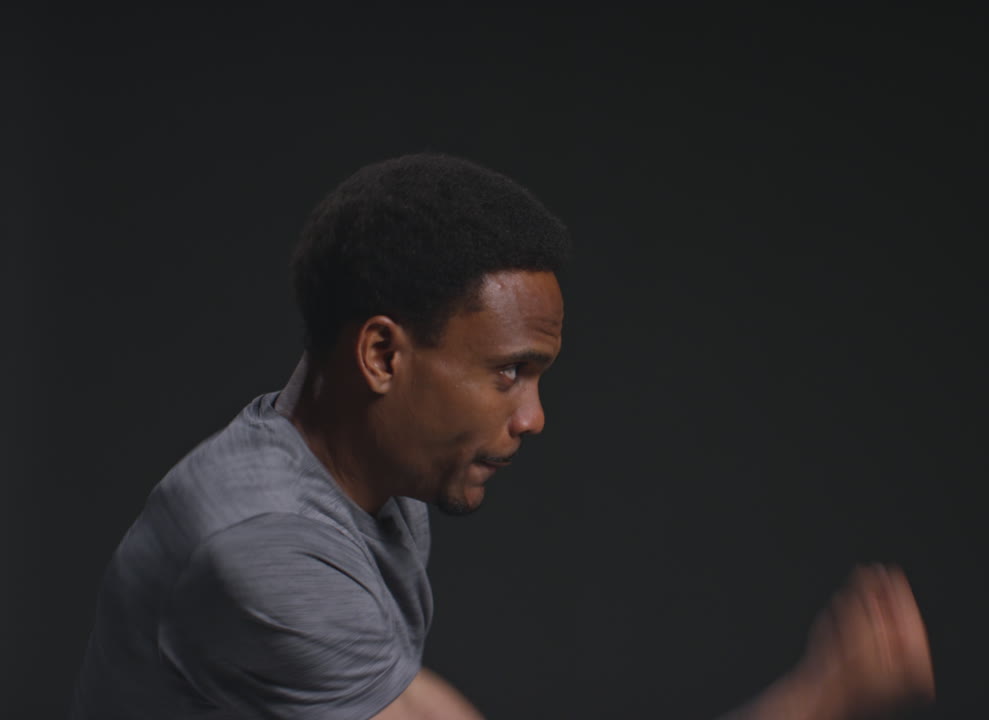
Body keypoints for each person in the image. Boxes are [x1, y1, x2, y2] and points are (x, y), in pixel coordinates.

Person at [70, 153, 935, 719]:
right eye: (508, 373)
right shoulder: (265, 548)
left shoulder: (368, 481)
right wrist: (816, 701)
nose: (532, 417)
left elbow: (422, 705)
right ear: (381, 354)